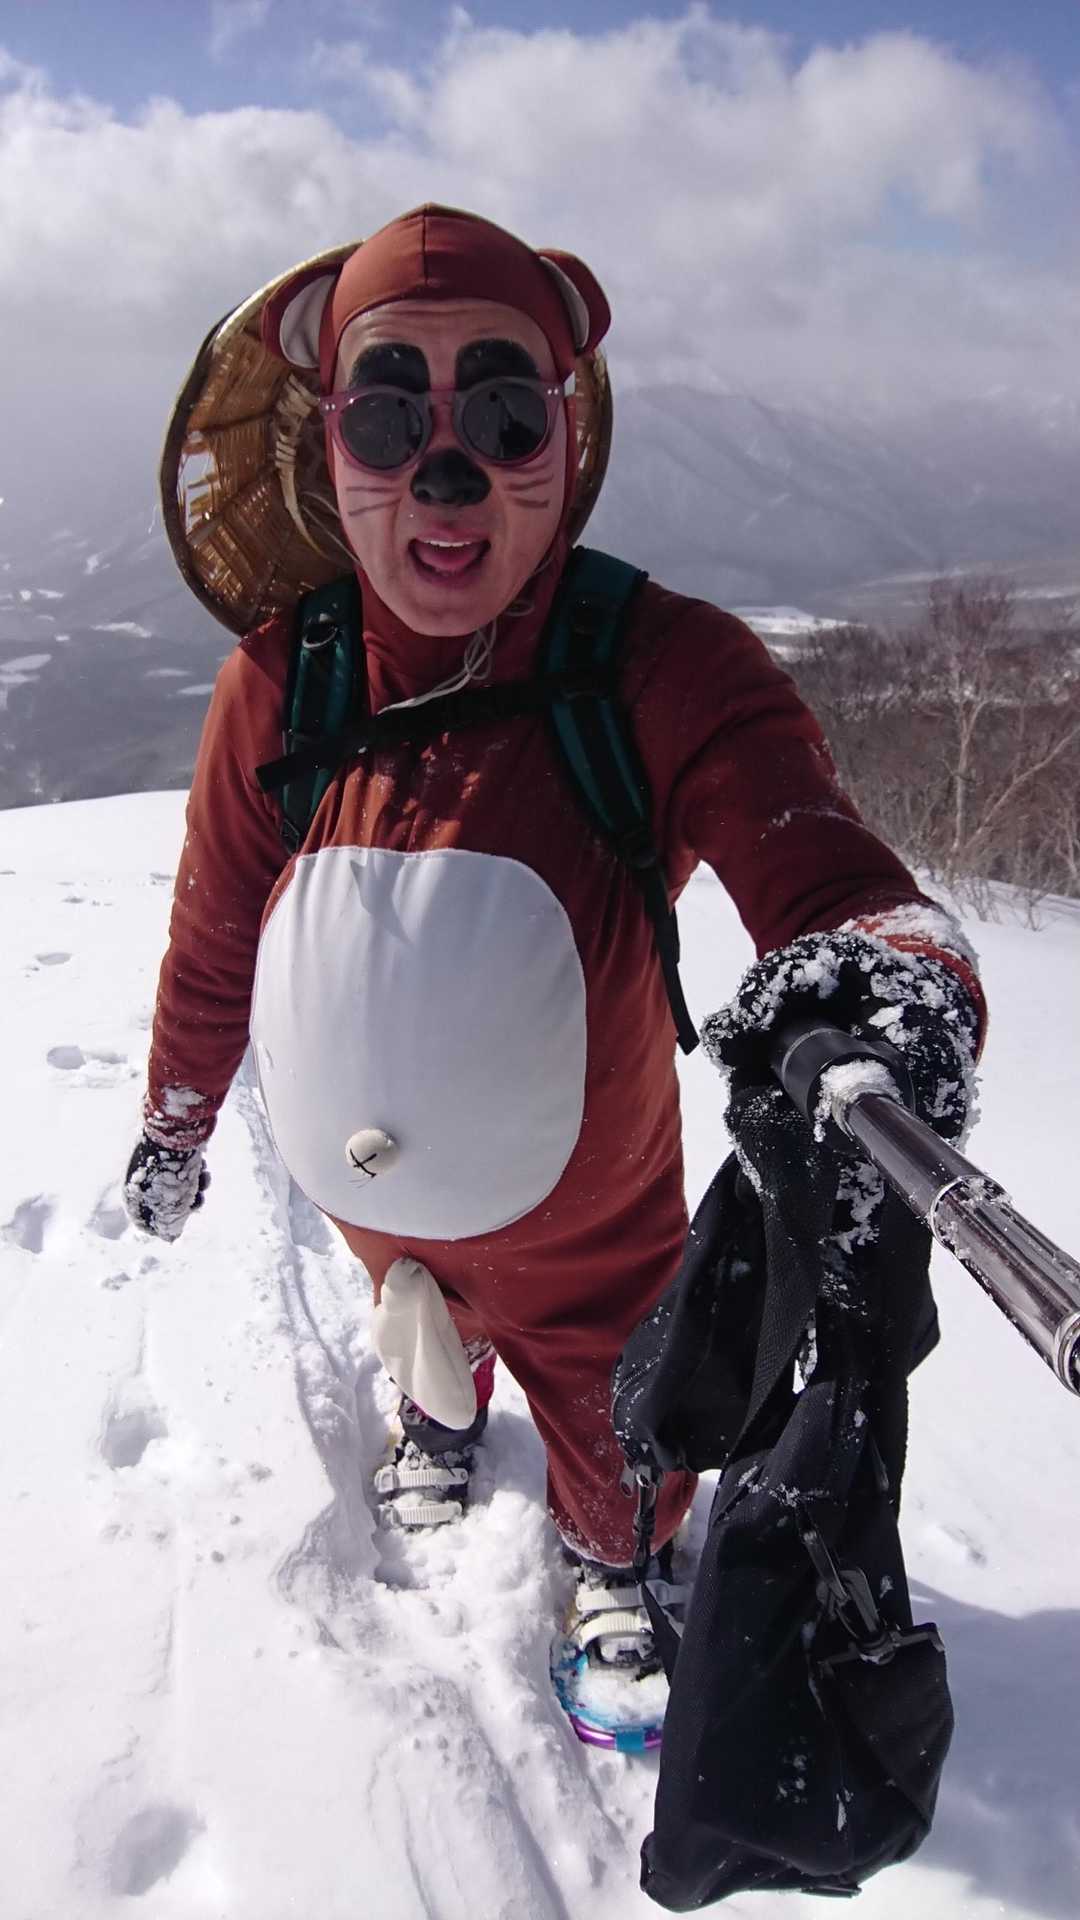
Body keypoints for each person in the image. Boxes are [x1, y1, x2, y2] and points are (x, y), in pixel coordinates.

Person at [124, 204, 983, 1690]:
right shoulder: (281, 684)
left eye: (505, 412)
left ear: (564, 441)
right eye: (390, 416)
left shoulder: (657, 667)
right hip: (385, 1212)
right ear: (331, 448)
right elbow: (214, 933)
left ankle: (616, 1547)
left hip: (596, 1226)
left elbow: (828, 876)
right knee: (421, 1323)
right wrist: (174, 1118)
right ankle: (439, 1410)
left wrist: (885, 986)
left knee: (617, 1395)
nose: (445, 468)